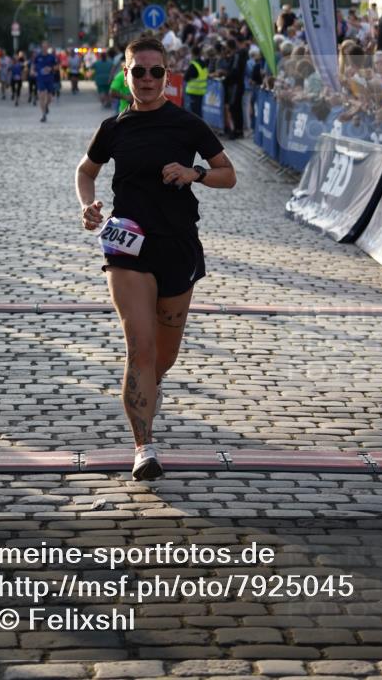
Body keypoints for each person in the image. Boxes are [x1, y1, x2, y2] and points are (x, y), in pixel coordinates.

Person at [75, 37, 236, 481]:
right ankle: (144, 446)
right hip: (127, 246)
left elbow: (229, 175)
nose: (146, 79)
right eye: (138, 71)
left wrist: (194, 173)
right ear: (124, 75)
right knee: (139, 348)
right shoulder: (113, 128)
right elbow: (86, 171)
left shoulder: (187, 125)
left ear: (167, 75)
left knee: (163, 357)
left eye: (155, 71)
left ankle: (154, 383)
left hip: (178, 245)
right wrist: (88, 206)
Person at [183, 45, 208, 118]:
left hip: (193, 91)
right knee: (198, 111)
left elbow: (186, 77)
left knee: (194, 113)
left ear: (192, 53)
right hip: (201, 91)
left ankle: (197, 128)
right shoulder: (204, 63)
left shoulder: (194, 65)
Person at [35, 41, 56, 122]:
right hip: (41, 79)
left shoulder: (51, 57)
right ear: (41, 48)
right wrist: (32, 71)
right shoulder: (38, 57)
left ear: (48, 48)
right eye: (43, 47)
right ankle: (43, 115)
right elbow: (33, 65)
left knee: (50, 98)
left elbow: (57, 66)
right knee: (41, 96)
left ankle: (46, 106)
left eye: (46, 47)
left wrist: (51, 68)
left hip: (50, 79)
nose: (44, 48)